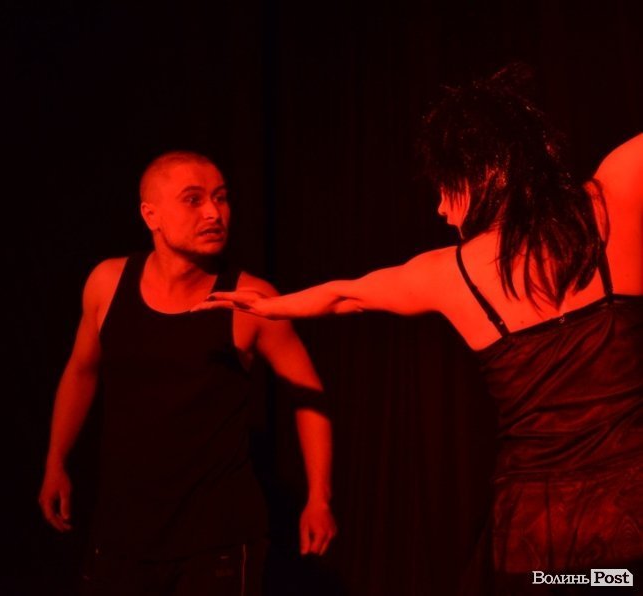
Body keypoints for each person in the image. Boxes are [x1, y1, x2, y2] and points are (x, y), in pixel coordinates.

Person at [194, 66, 643, 594]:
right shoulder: (610, 202)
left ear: (477, 175)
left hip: (539, 527)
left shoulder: (452, 272)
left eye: (444, 189)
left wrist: (272, 306)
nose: (440, 209)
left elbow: (346, 295)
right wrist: (272, 305)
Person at [39, 151, 337, 595]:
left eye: (221, 197)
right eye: (194, 200)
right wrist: (56, 460)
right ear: (151, 215)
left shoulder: (250, 300)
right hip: (121, 533)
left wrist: (318, 498)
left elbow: (308, 392)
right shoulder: (107, 283)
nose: (214, 213)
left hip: (216, 541)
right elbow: (82, 371)